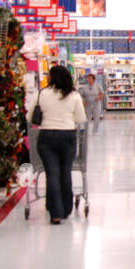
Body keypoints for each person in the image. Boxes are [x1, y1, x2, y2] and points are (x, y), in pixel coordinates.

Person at [27, 65, 87, 224]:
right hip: (68, 136)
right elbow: (81, 118)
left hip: (47, 137)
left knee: (52, 174)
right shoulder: (74, 95)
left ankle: (56, 213)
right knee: (65, 173)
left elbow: (29, 117)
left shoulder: (42, 94)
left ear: (52, 78)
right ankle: (66, 208)